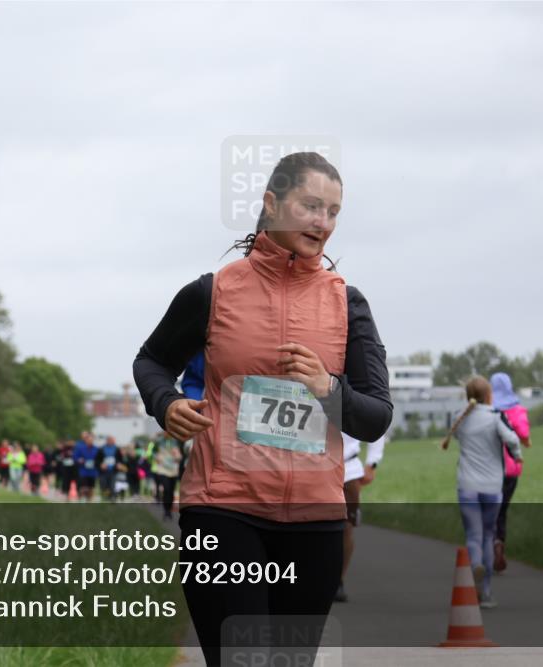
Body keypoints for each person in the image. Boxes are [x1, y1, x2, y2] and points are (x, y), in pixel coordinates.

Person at [133, 152, 391, 666]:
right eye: (311, 205)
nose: (323, 222)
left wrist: (327, 387)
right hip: (223, 508)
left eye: (334, 211)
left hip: (315, 520)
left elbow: (375, 414)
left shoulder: (347, 304)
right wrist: (167, 404)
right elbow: (152, 361)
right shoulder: (213, 292)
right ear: (271, 204)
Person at [441, 376, 522, 609]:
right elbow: (512, 439)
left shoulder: (461, 418)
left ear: (468, 397)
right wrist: (516, 455)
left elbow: (456, 433)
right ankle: (486, 592)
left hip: (467, 486)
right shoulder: (496, 417)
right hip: (492, 487)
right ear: (489, 396)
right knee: (489, 534)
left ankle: (475, 563)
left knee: (473, 537)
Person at [489, 372, 532, 573]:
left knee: (490, 510)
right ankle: (500, 543)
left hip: (491, 468)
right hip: (512, 470)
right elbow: (524, 435)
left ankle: (490, 545)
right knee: (502, 510)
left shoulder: (489, 411)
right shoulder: (518, 410)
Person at [335, 433, 386, 602]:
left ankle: (338, 581)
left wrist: (372, 463)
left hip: (348, 470)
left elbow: (377, 428)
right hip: (313, 470)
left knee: (346, 528)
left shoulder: (352, 405)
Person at [154, 434, 182, 520]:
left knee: (171, 492)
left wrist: (177, 456)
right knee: (166, 489)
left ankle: (169, 510)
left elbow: (180, 457)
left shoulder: (176, 441)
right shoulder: (159, 442)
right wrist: (156, 457)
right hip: (163, 470)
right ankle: (166, 511)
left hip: (173, 470)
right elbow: (153, 452)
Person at [73, 433, 99, 501]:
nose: (90, 441)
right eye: (88, 440)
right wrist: (79, 460)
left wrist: (97, 462)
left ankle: (89, 501)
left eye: (91, 440)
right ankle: (81, 499)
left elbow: (99, 459)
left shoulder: (96, 449)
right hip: (83, 470)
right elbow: (75, 457)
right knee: (83, 487)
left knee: (91, 488)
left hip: (93, 471)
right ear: (86, 440)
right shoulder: (80, 448)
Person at [100, 436, 120, 501]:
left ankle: (113, 497)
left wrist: (118, 464)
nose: (112, 442)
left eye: (113, 440)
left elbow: (120, 459)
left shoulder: (117, 449)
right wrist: (101, 464)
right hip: (104, 471)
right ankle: (106, 496)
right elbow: (97, 460)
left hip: (113, 470)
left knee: (112, 485)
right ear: (107, 441)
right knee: (104, 485)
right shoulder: (102, 449)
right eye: (111, 440)